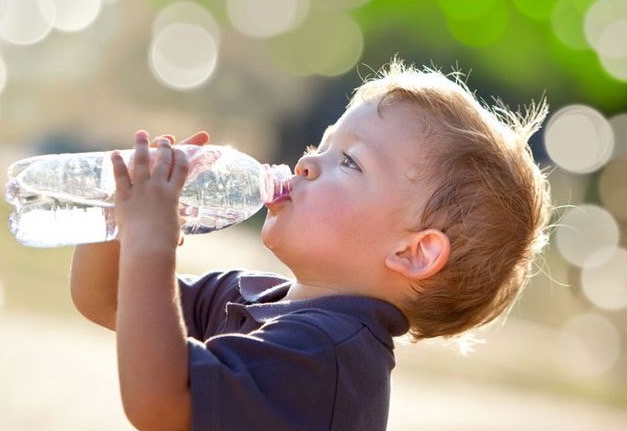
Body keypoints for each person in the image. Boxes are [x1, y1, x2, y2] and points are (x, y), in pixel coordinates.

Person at [70, 58, 552, 431]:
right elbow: (107, 297)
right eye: (321, 145)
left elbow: (160, 404)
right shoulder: (255, 296)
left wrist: (152, 244)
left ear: (413, 251)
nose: (305, 164)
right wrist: (119, 215)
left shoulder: (327, 355)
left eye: (350, 162)